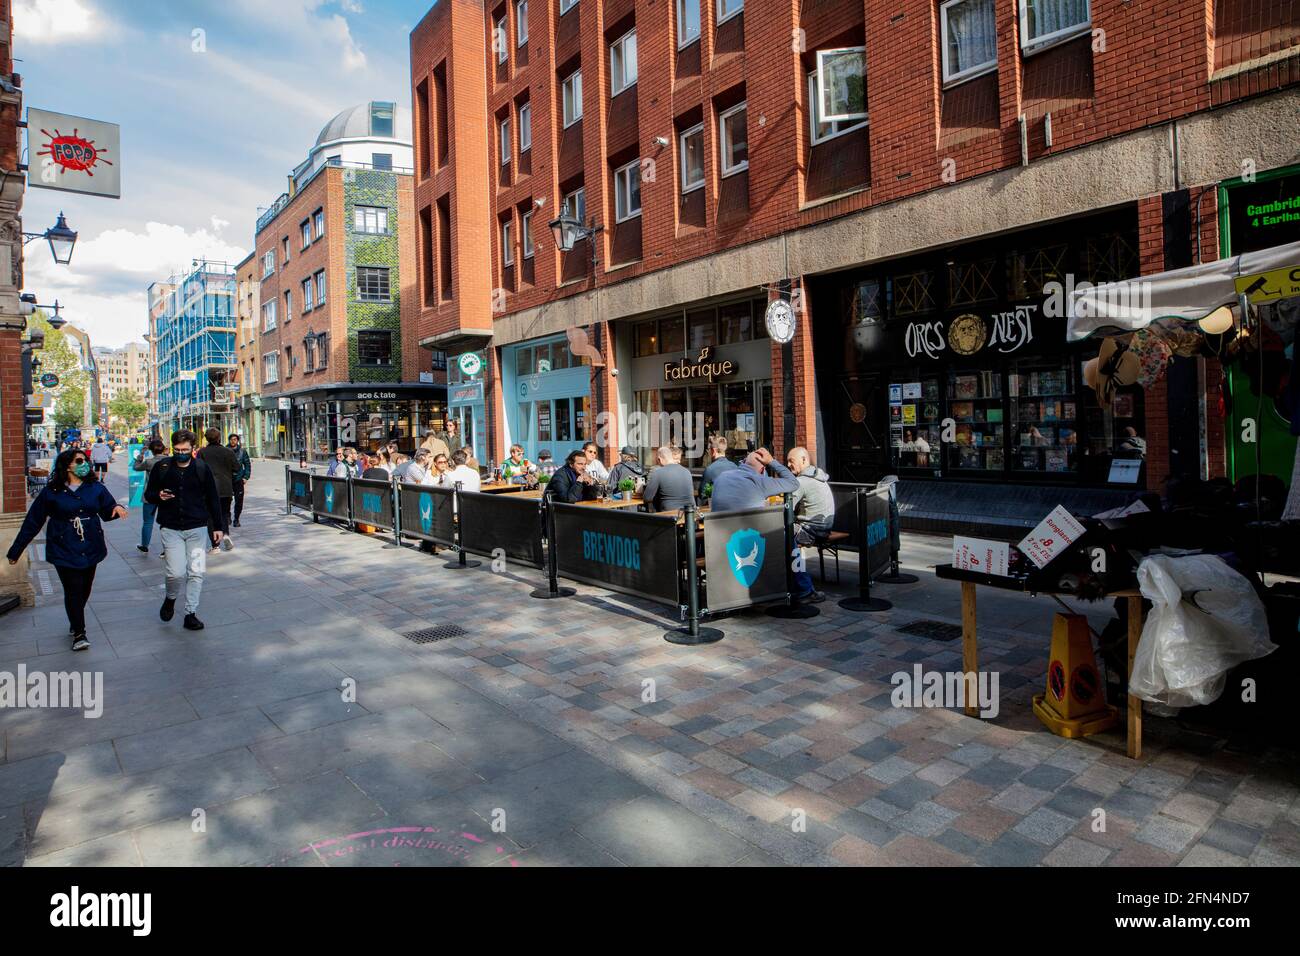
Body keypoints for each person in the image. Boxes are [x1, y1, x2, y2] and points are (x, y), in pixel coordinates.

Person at [7, 447, 128, 651]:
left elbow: (108, 511)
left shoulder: (95, 488)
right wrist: (16, 550)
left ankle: (74, 617)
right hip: (63, 545)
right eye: (79, 461)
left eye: (85, 461)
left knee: (84, 588)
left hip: (91, 544)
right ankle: (79, 633)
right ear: (68, 466)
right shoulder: (52, 491)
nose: (85, 465)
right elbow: (33, 521)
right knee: (72, 589)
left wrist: (117, 509)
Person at [144, 429, 224, 631]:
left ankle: (191, 613)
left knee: (196, 572)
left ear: (193, 449)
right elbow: (149, 494)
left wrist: (218, 527)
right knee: (175, 572)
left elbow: (213, 499)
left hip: (197, 528)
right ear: (172, 448)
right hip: (170, 529)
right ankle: (170, 598)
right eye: (177, 449)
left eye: (185, 449)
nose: (181, 453)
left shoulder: (201, 468)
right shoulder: (162, 467)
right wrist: (158, 495)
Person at [787, 446, 835, 604]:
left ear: (804, 460)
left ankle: (804, 589)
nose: (788, 465)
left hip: (810, 530)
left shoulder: (801, 481)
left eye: (791, 461)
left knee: (780, 533)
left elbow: (786, 508)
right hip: (824, 528)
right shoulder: (819, 476)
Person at [710, 447, 800, 513]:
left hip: (720, 537)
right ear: (762, 470)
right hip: (750, 536)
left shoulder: (721, 477)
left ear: (744, 461)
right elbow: (793, 483)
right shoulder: (760, 482)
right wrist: (771, 461)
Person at [198, 427, 238, 552]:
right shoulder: (228, 451)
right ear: (220, 438)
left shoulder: (202, 452)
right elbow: (236, 467)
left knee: (210, 516)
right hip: (226, 487)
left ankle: (215, 545)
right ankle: (225, 534)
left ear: (206, 438)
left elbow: (197, 469)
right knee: (224, 513)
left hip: (209, 488)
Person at [133, 438, 167, 553]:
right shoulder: (170, 461)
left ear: (152, 451)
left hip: (150, 495)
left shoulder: (148, 462)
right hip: (166, 495)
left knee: (148, 522)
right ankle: (167, 548)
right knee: (166, 523)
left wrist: (141, 454)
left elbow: (136, 467)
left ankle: (144, 545)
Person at [642, 445, 696, 513]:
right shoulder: (687, 471)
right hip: (690, 514)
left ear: (659, 459)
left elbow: (647, 498)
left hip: (669, 516)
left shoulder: (658, 473)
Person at [227, 434, 251, 527]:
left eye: (235, 439)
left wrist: (246, 477)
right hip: (227, 479)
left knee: (239, 500)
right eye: (231, 439)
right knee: (227, 499)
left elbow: (247, 464)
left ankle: (236, 519)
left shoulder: (242, 451)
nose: (233, 441)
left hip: (239, 479)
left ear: (237, 440)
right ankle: (227, 516)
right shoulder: (225, 450)